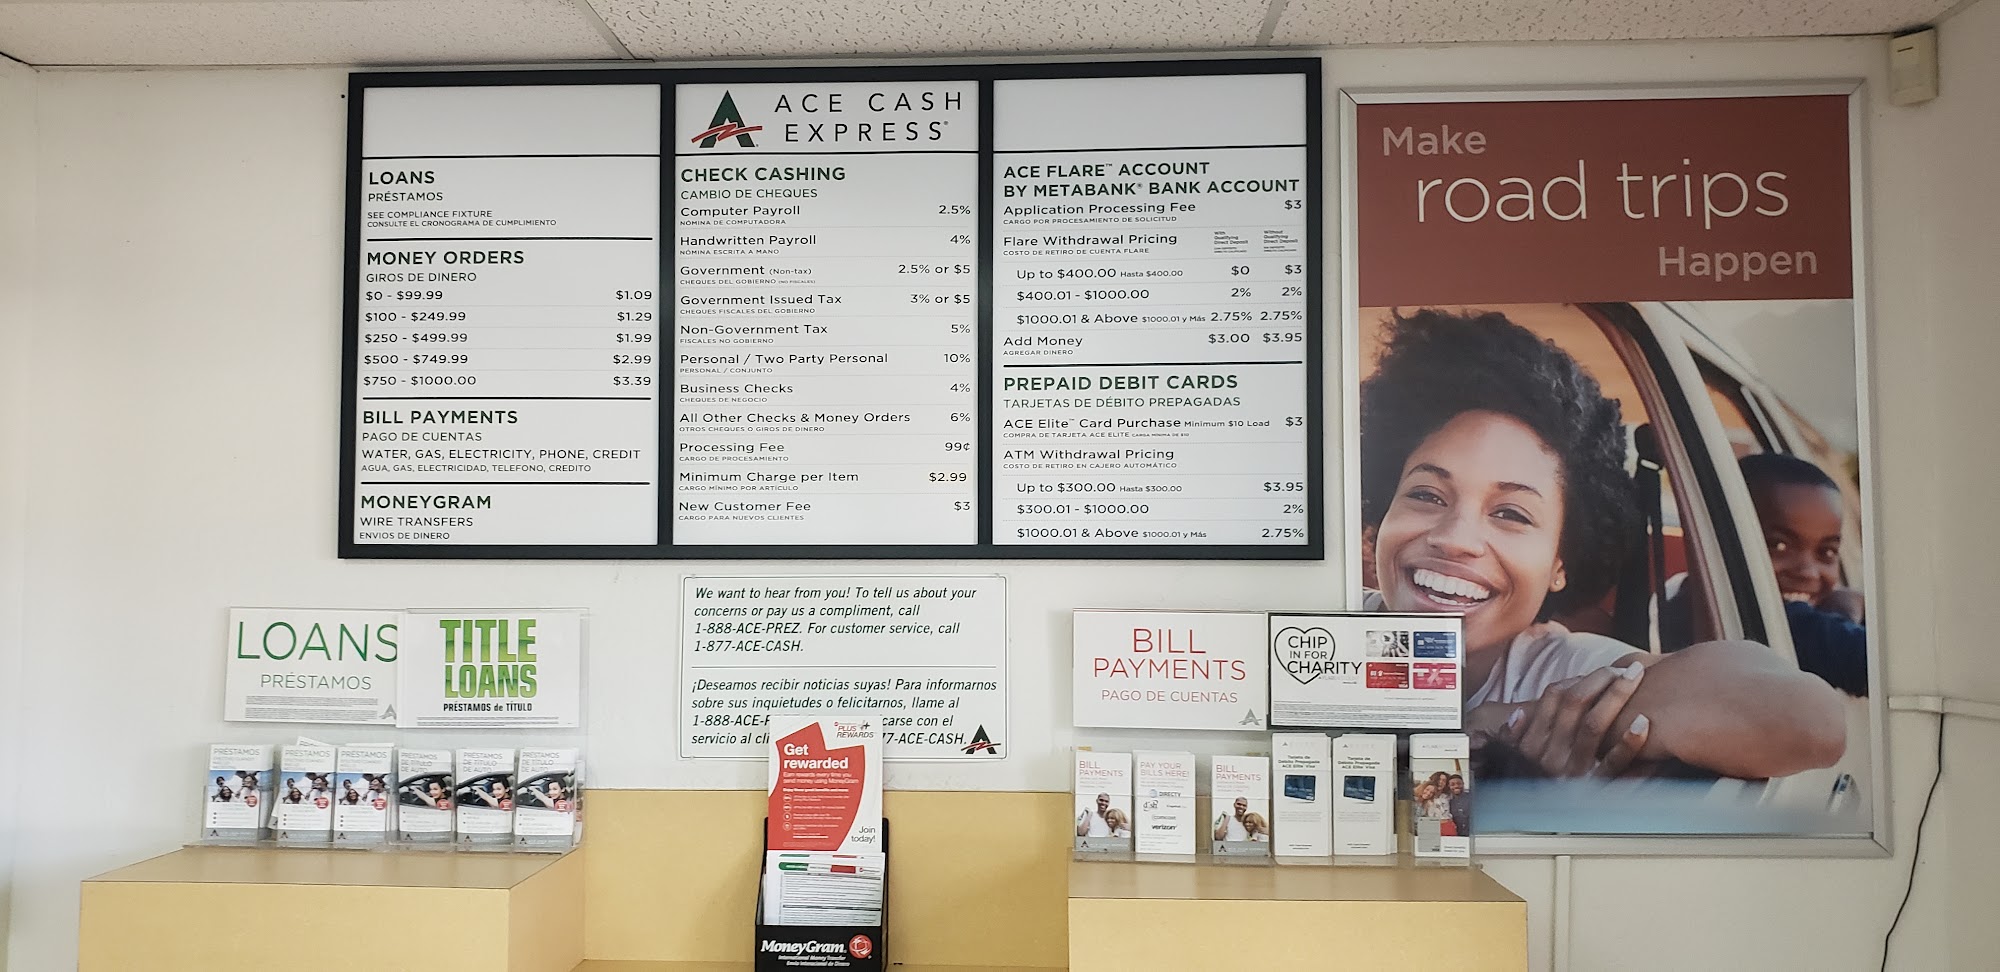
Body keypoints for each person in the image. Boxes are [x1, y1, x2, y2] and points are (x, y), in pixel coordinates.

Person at [1360, 309, 1846, 780]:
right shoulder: (1321, 620)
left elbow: (1810, 718)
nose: (1454, 539)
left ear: (1561, 560)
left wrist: (1521, 721)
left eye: (1511, 514)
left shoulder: (1561, 671)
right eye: (1427, 495)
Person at [1739, 452, 1868, 697]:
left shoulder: (1676, 600)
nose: (1808, 572)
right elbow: (1908, 666)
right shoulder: (1787, 626)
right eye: (1779, 545)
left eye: (1826, 551)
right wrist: (1845, 612)